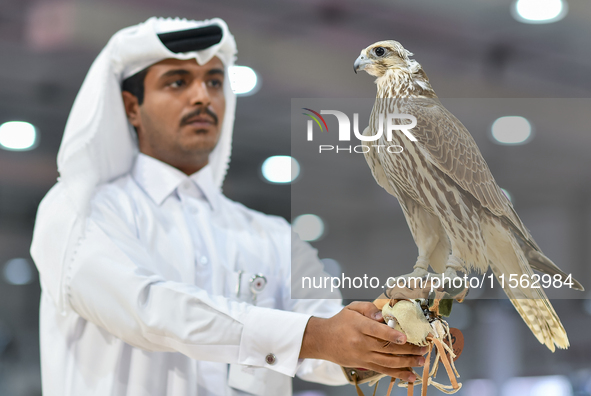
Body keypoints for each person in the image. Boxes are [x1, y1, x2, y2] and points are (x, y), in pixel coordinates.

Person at [30, 17, 426, 396]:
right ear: (132, 106)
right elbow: (150, 311)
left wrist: (390, 340)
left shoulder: (272, 236)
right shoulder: (80, 211)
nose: (203, 95)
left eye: (214, 81)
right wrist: (315, 336)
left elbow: (326, 347)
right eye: (178, 81)